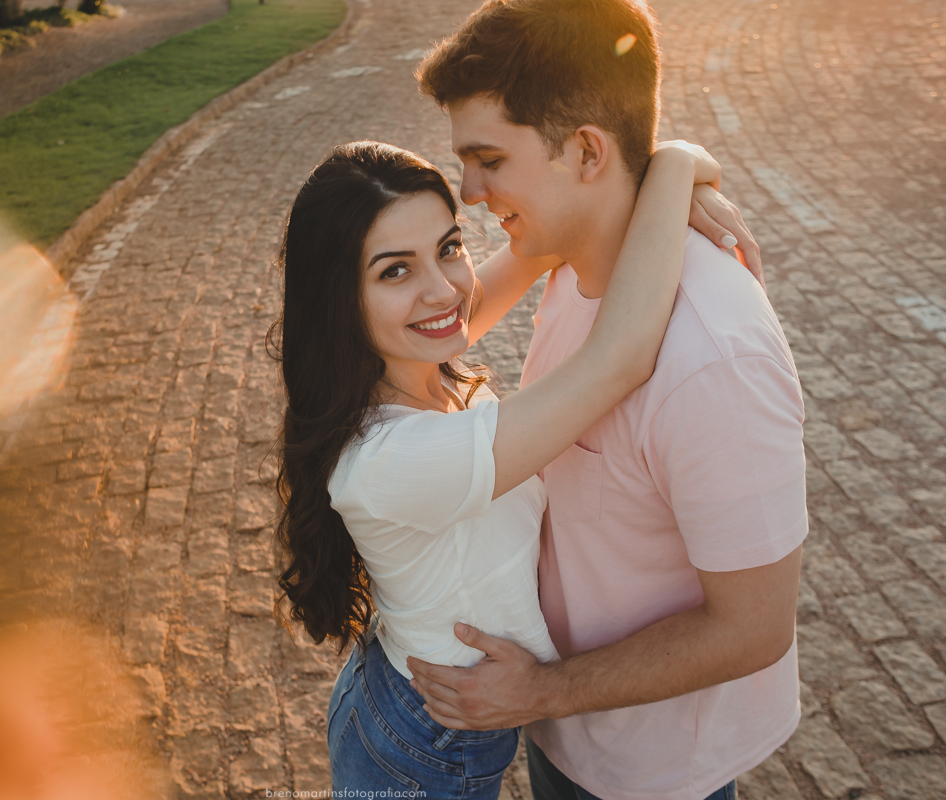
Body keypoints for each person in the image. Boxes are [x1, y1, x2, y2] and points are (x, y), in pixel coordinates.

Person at [406, 2, 807, 800]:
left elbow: (755, 627)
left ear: (586, 151)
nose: (469, 192)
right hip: (564, 727)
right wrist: (681, 161)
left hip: (648, 768)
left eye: (488, 158)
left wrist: (543, 692)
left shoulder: (712, 357)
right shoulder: (568, 257)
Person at [269, 138, 753, 799]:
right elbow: (624, 355)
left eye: (448, 247)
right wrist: (674, 165)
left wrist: (675, 175)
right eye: (393, 272)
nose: (444, 291)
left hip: (405, 689)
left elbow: (541, 244)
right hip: (422, 749)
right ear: (338, 301)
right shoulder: (397, 459)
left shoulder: (413, 362)